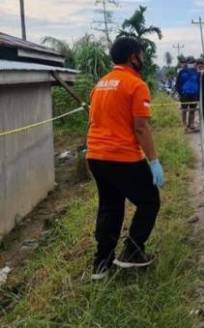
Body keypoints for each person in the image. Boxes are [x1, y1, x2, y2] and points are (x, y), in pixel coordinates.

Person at [86, 37, 164, 280]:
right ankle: (132, 251)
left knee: (110, 207)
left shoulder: (102, 83)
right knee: (149, 201)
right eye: (141, 53)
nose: (143, 58)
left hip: (95, 156)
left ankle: (102, 264)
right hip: (121, 157)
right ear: (133, 56)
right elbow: (140, 127)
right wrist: (153, 161)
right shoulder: (135, 84)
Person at [176, 57, 200, 132]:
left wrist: (198, 94)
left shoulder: (196, 72)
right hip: (184, 94)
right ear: (187, 63)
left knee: (192, 110)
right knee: (184, 110)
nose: (191, 63)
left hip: (194, 94)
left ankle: (191, 124)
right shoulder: (182, 72)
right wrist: (180, 92)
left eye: (193, 62)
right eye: (190, 62)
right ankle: (184, 125)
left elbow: (199, 83)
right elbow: (177, 83)